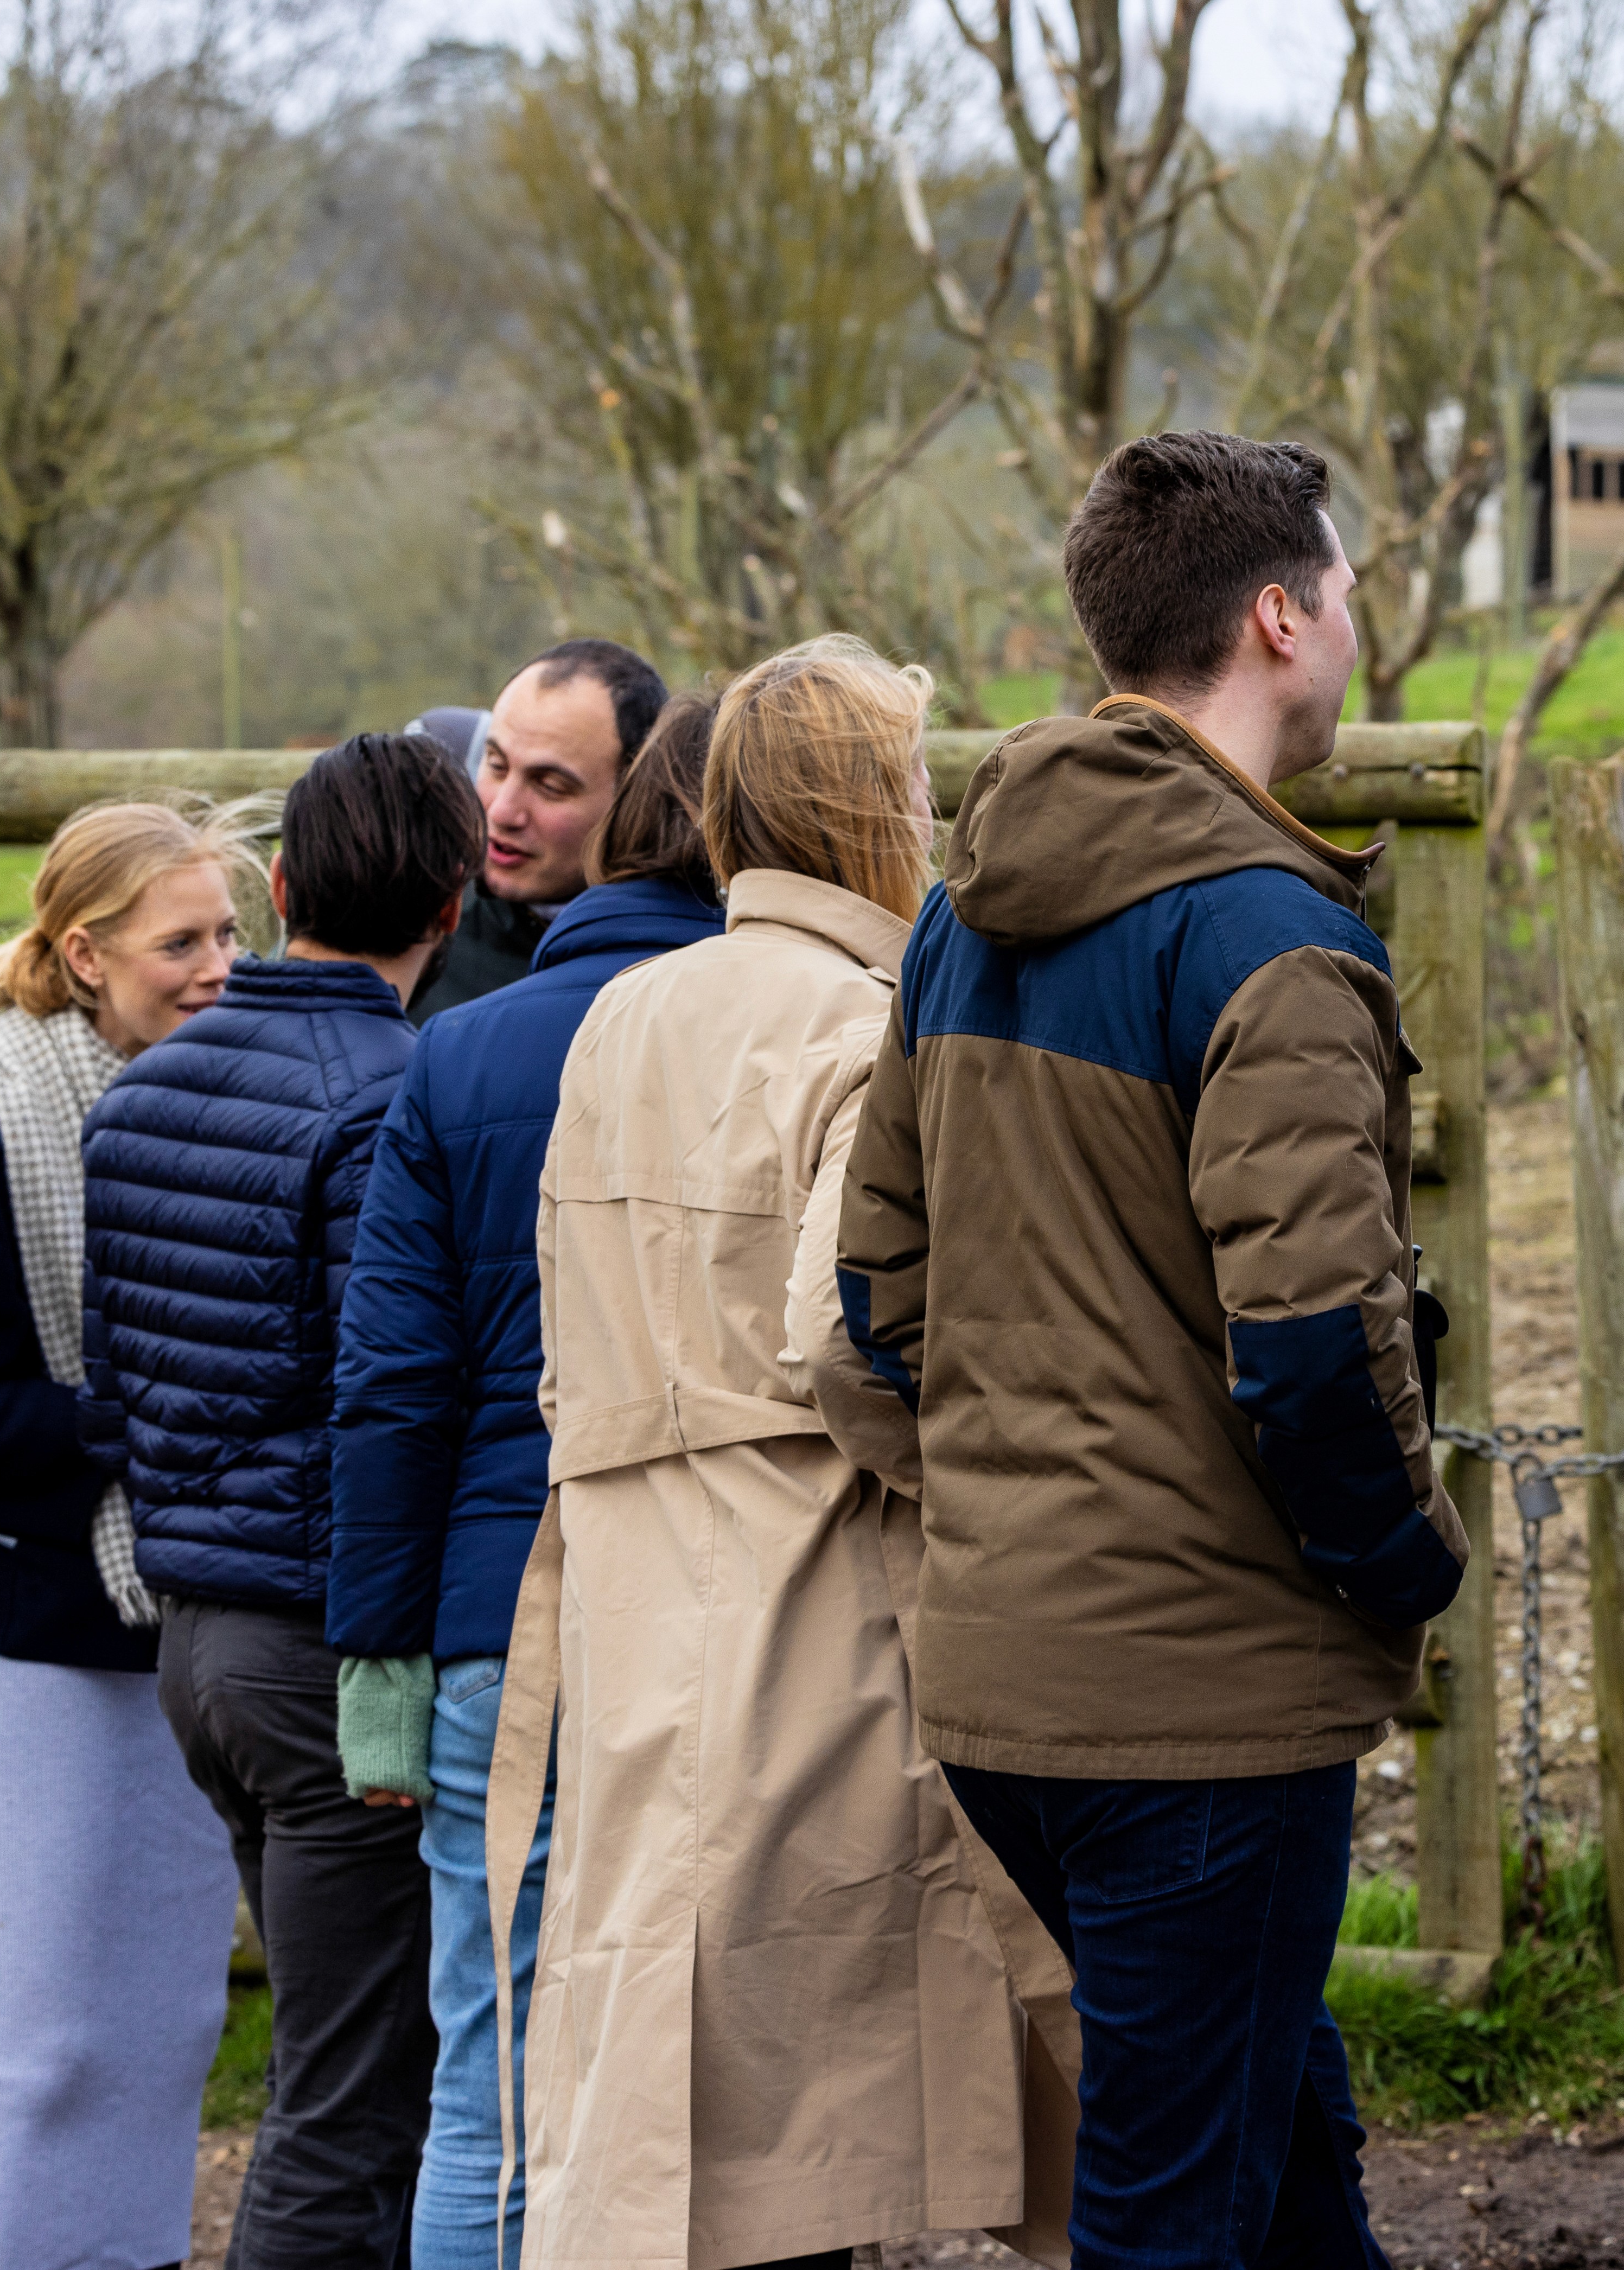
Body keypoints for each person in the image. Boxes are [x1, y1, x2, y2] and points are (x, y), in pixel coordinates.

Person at [820, 432, 1459, 2269]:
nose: (1354, 623)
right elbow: (1318, 1339)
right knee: (1171, 2208)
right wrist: (1403, 1561)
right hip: (1200, 1695)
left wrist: (1032, 1486)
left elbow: (879, 1298)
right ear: (1279, 615)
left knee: (1276, 2125)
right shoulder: (1272, 939)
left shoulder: (958, 918)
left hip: (1007, 1674)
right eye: (1343, 591)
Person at [500, 637, 1075, 2267]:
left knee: (699, 2115)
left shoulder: (619, 1013)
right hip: (814, 1603)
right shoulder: (864, 1019)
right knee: (812, 2110)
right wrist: (940, 1469)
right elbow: (850, 1330)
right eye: (907, 779)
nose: (927, 806)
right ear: (860, 805)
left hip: (634, 1614)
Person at [332, 694, 727, 2270]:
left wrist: (380, 1665)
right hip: (719, 1618)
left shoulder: (456, 1055)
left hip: (498, 1628)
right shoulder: (791, 1033)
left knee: (488, 2088)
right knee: (706, 2087)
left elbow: (391, 1389)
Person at [85, 734, 487, 2267]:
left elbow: (117, 1392)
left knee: (341, 2068)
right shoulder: (397, 1101)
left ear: (282, 884)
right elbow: (389, 1411)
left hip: (201, 1646)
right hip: (336, 1669)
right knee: (353, 2102)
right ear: (453, 904)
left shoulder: (136, 1098)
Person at [0, 801, 257, 2270]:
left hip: (160, 1618)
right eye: (182, 941)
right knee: (36, 2045)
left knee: (164, 2024)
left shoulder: (185, 1107)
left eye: (227, 933)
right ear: (84, 954)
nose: (217, 965)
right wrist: (127, 1422)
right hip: (24, 1630)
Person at [412, 640, 667, 1023]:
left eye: (550, 786)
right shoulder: (414, 926)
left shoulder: (684, 960)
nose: (502, 811)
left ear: (635, 801)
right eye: (496, 765)